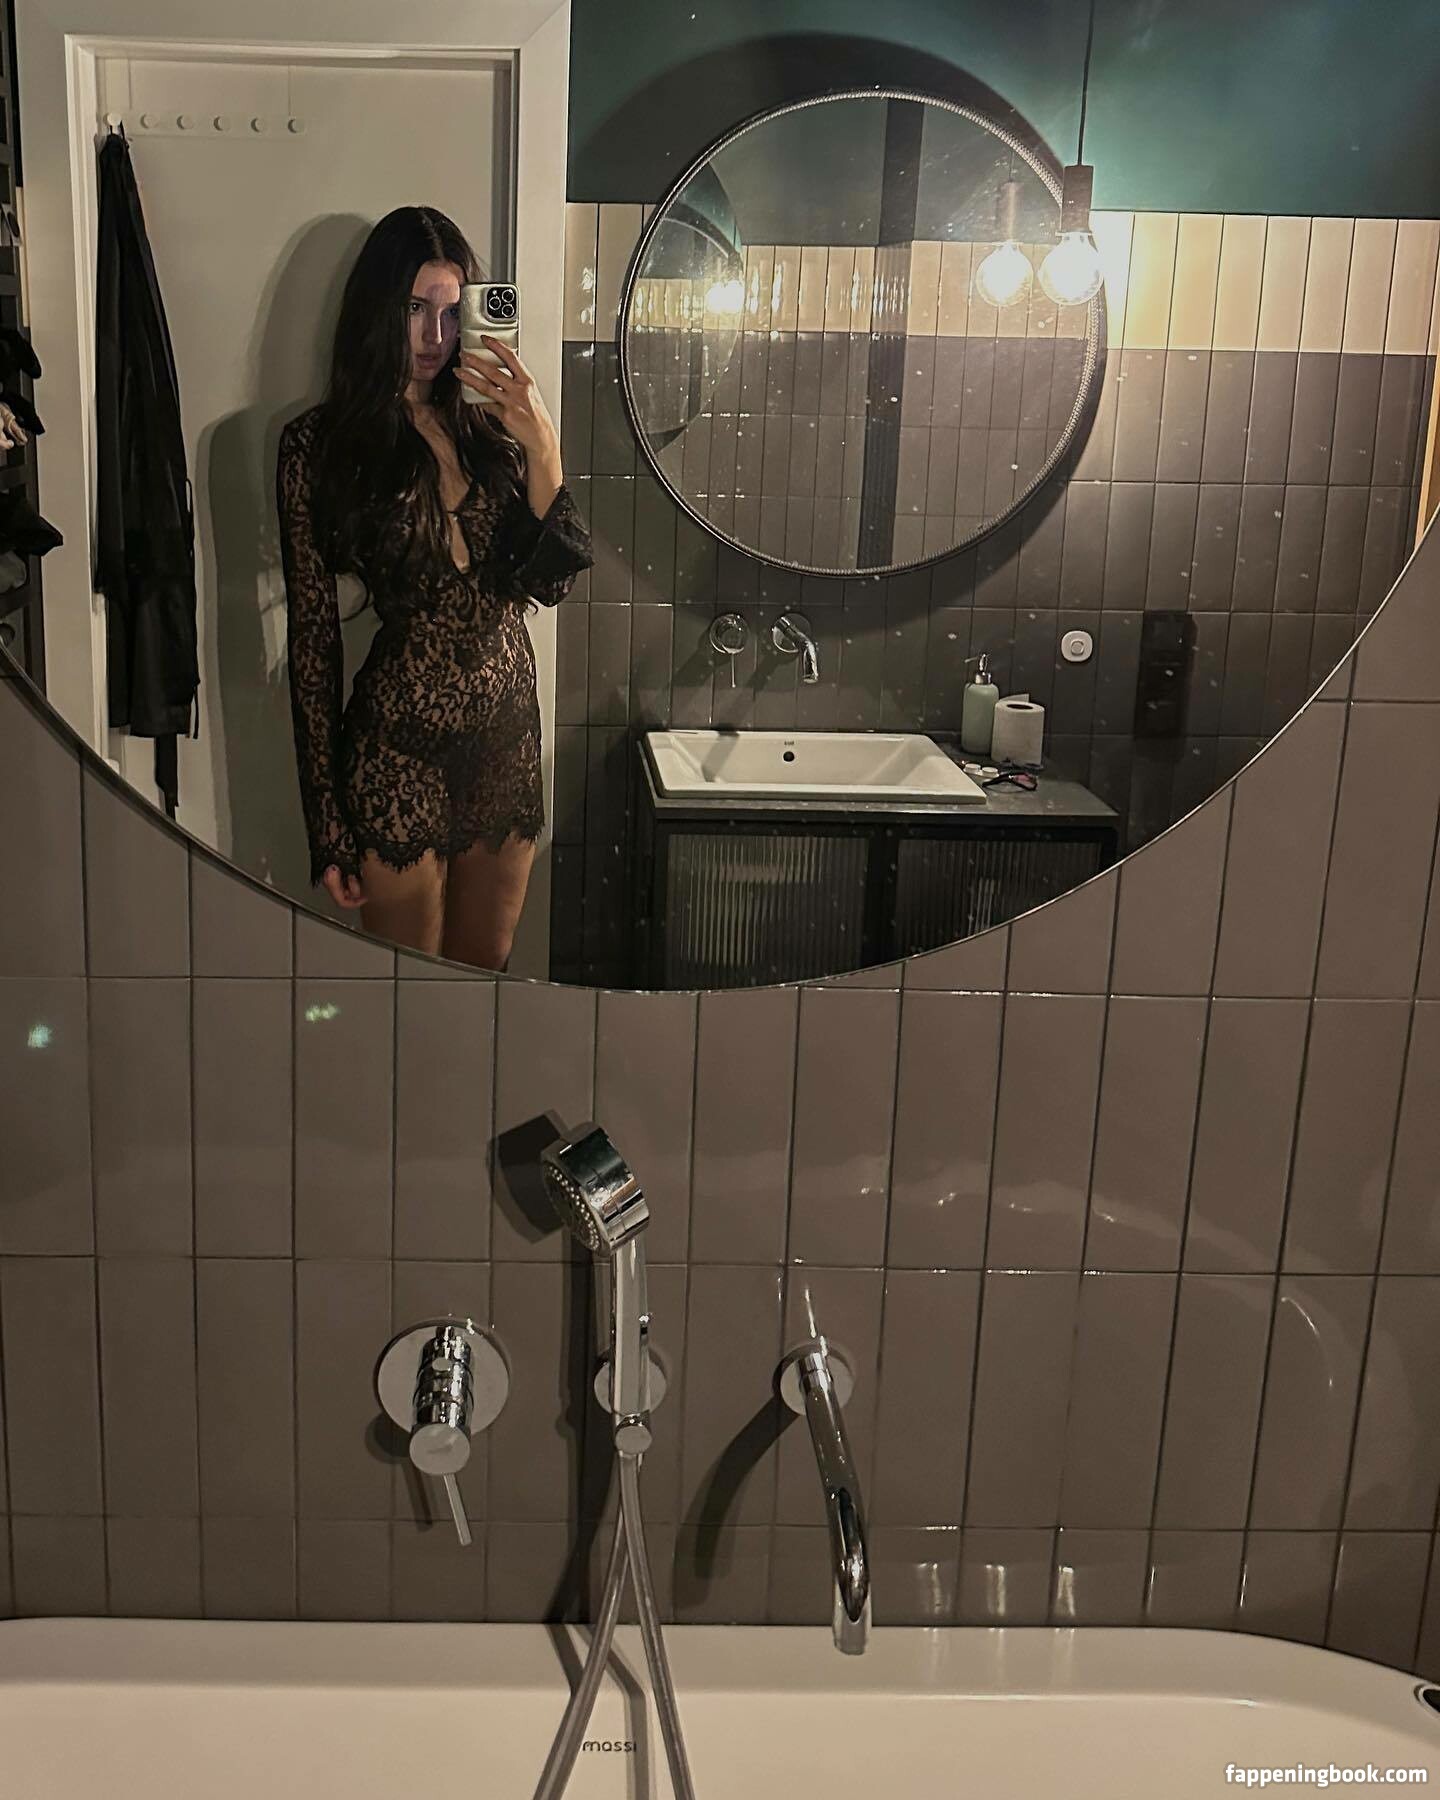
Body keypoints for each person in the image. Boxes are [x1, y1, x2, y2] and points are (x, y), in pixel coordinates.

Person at [275, 205, 593, 970]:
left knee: (482, 989)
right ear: (377, 309)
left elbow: (550, 584)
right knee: (407, 1001)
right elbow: (313, 641)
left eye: (452, 314)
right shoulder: (318, 444)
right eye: (415, 309)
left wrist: (543, 446)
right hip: (396, 755)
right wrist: (327, 823)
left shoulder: (494, 431)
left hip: (505, 749)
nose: (435, 337)